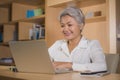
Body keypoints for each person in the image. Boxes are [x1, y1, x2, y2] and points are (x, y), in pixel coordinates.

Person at [48, 6, 107, 72]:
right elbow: (42, 61)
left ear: (81, 26)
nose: (65, 29)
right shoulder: (57, 44)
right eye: (62, 25)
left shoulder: (92, 44)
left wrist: (70, 65)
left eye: (69, 25)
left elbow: (102, 66)